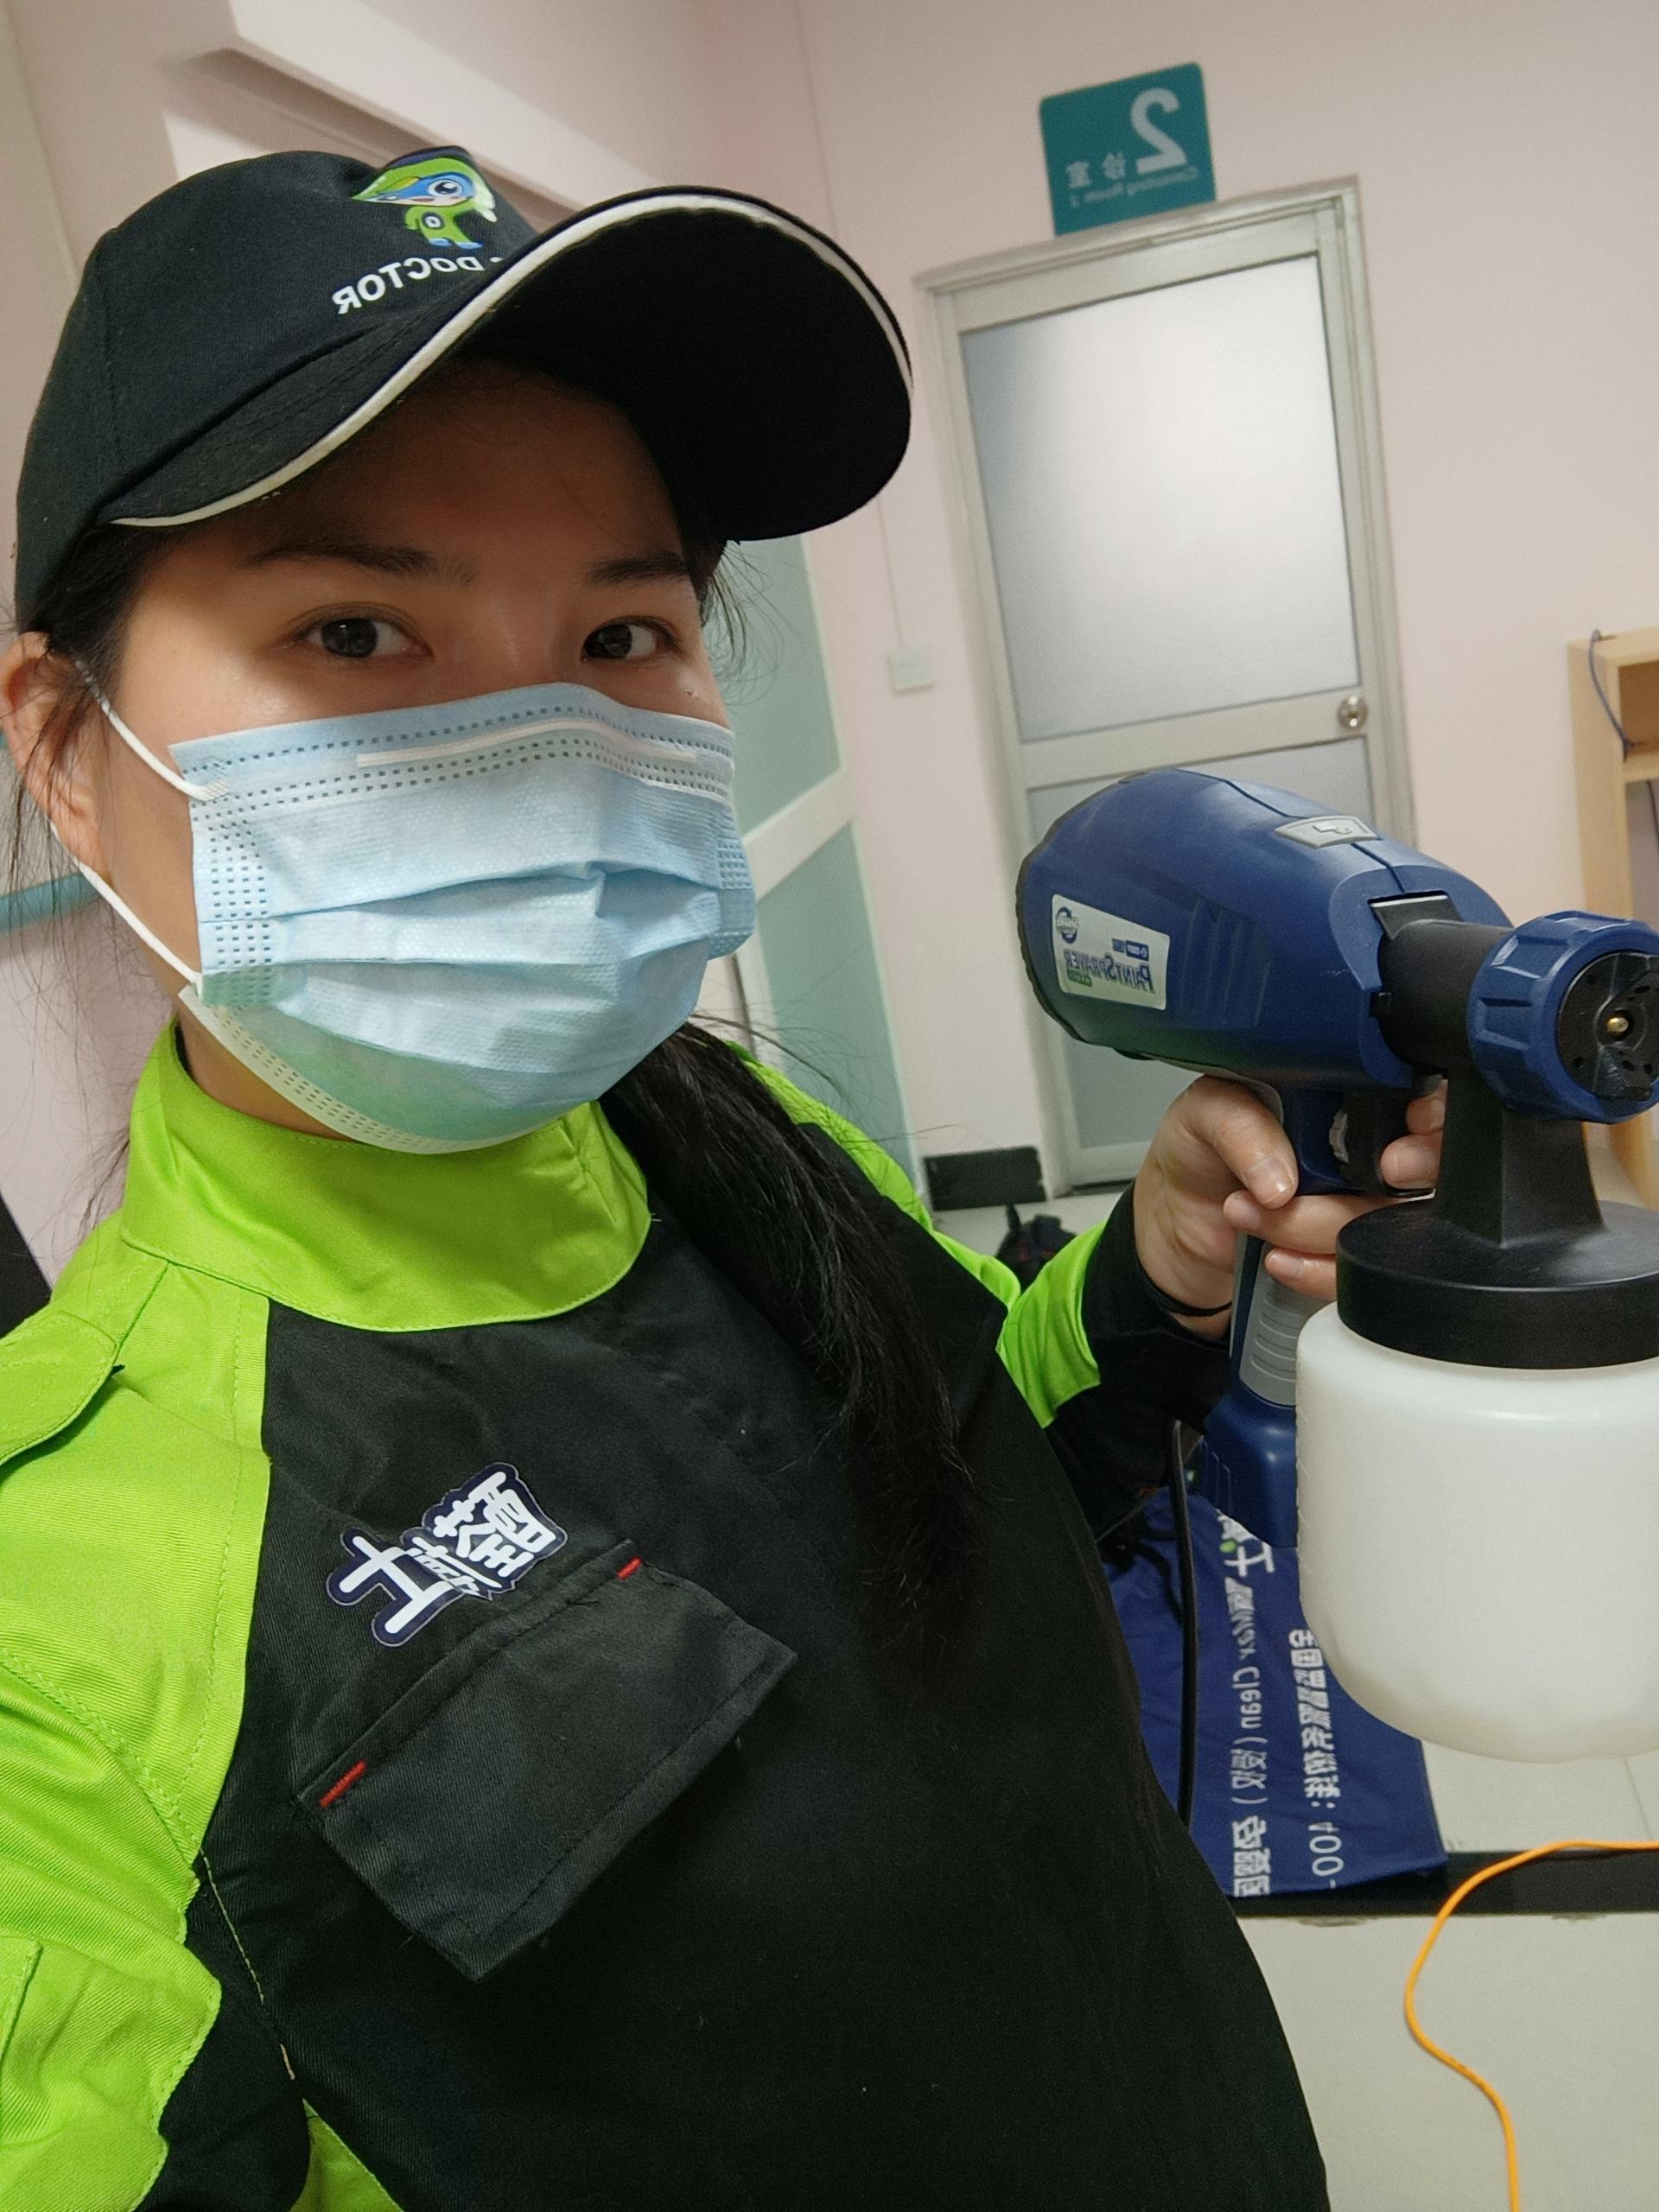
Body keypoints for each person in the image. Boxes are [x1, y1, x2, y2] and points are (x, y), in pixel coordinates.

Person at [0, 148, 1442, 2210]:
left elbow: (984, 1465)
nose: (534, 736)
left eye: (620, 628)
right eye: (358, 627)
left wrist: (1152, 1270)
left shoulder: (740, 1137)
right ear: (65, 746)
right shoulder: (60, 1617)